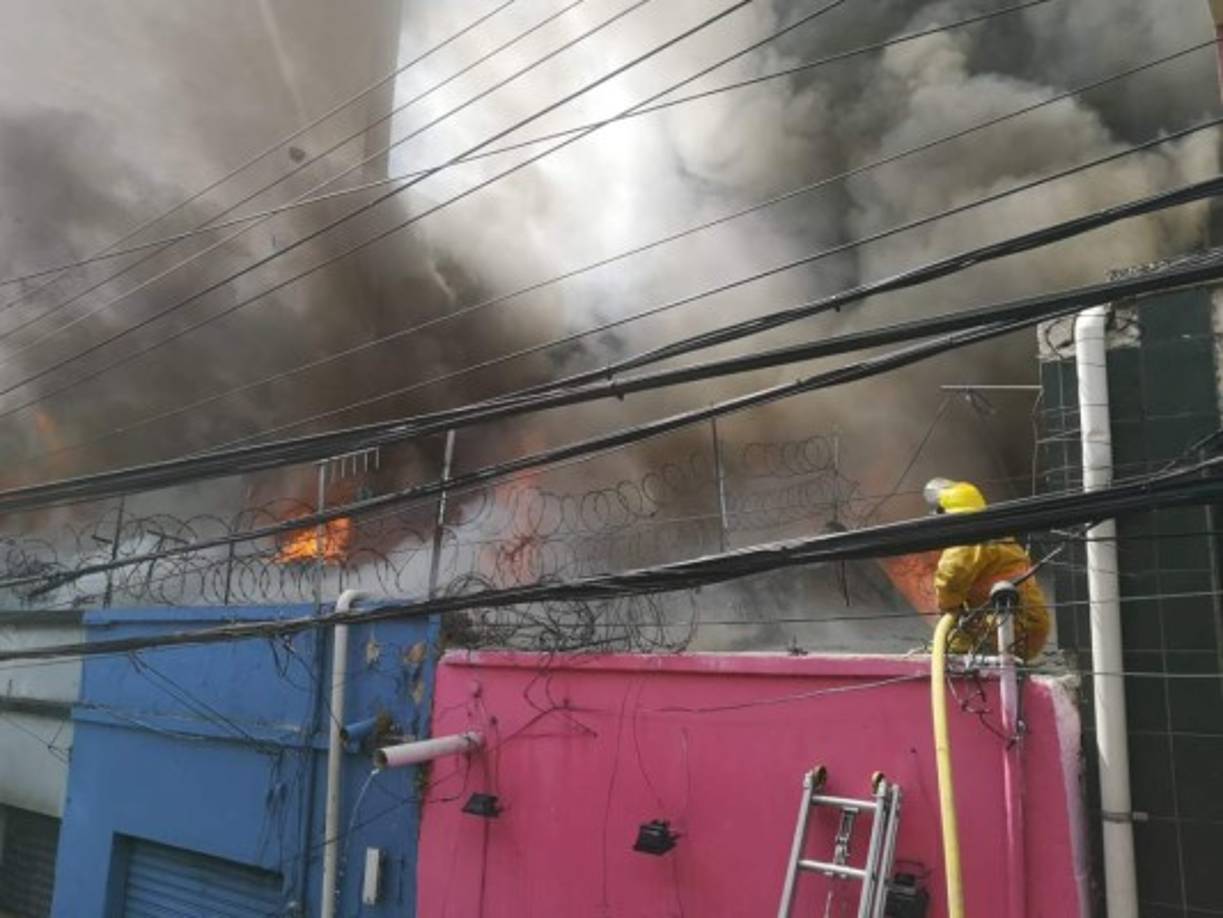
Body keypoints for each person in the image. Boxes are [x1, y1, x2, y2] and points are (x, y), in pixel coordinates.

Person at [923, 478, 1051, 661]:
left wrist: (950, 609)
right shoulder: (997, 535)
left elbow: (950, 581)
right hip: (1028, 626)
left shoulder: (968, 540)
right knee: (954, 637)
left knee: (948, 645)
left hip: (1009, 626)